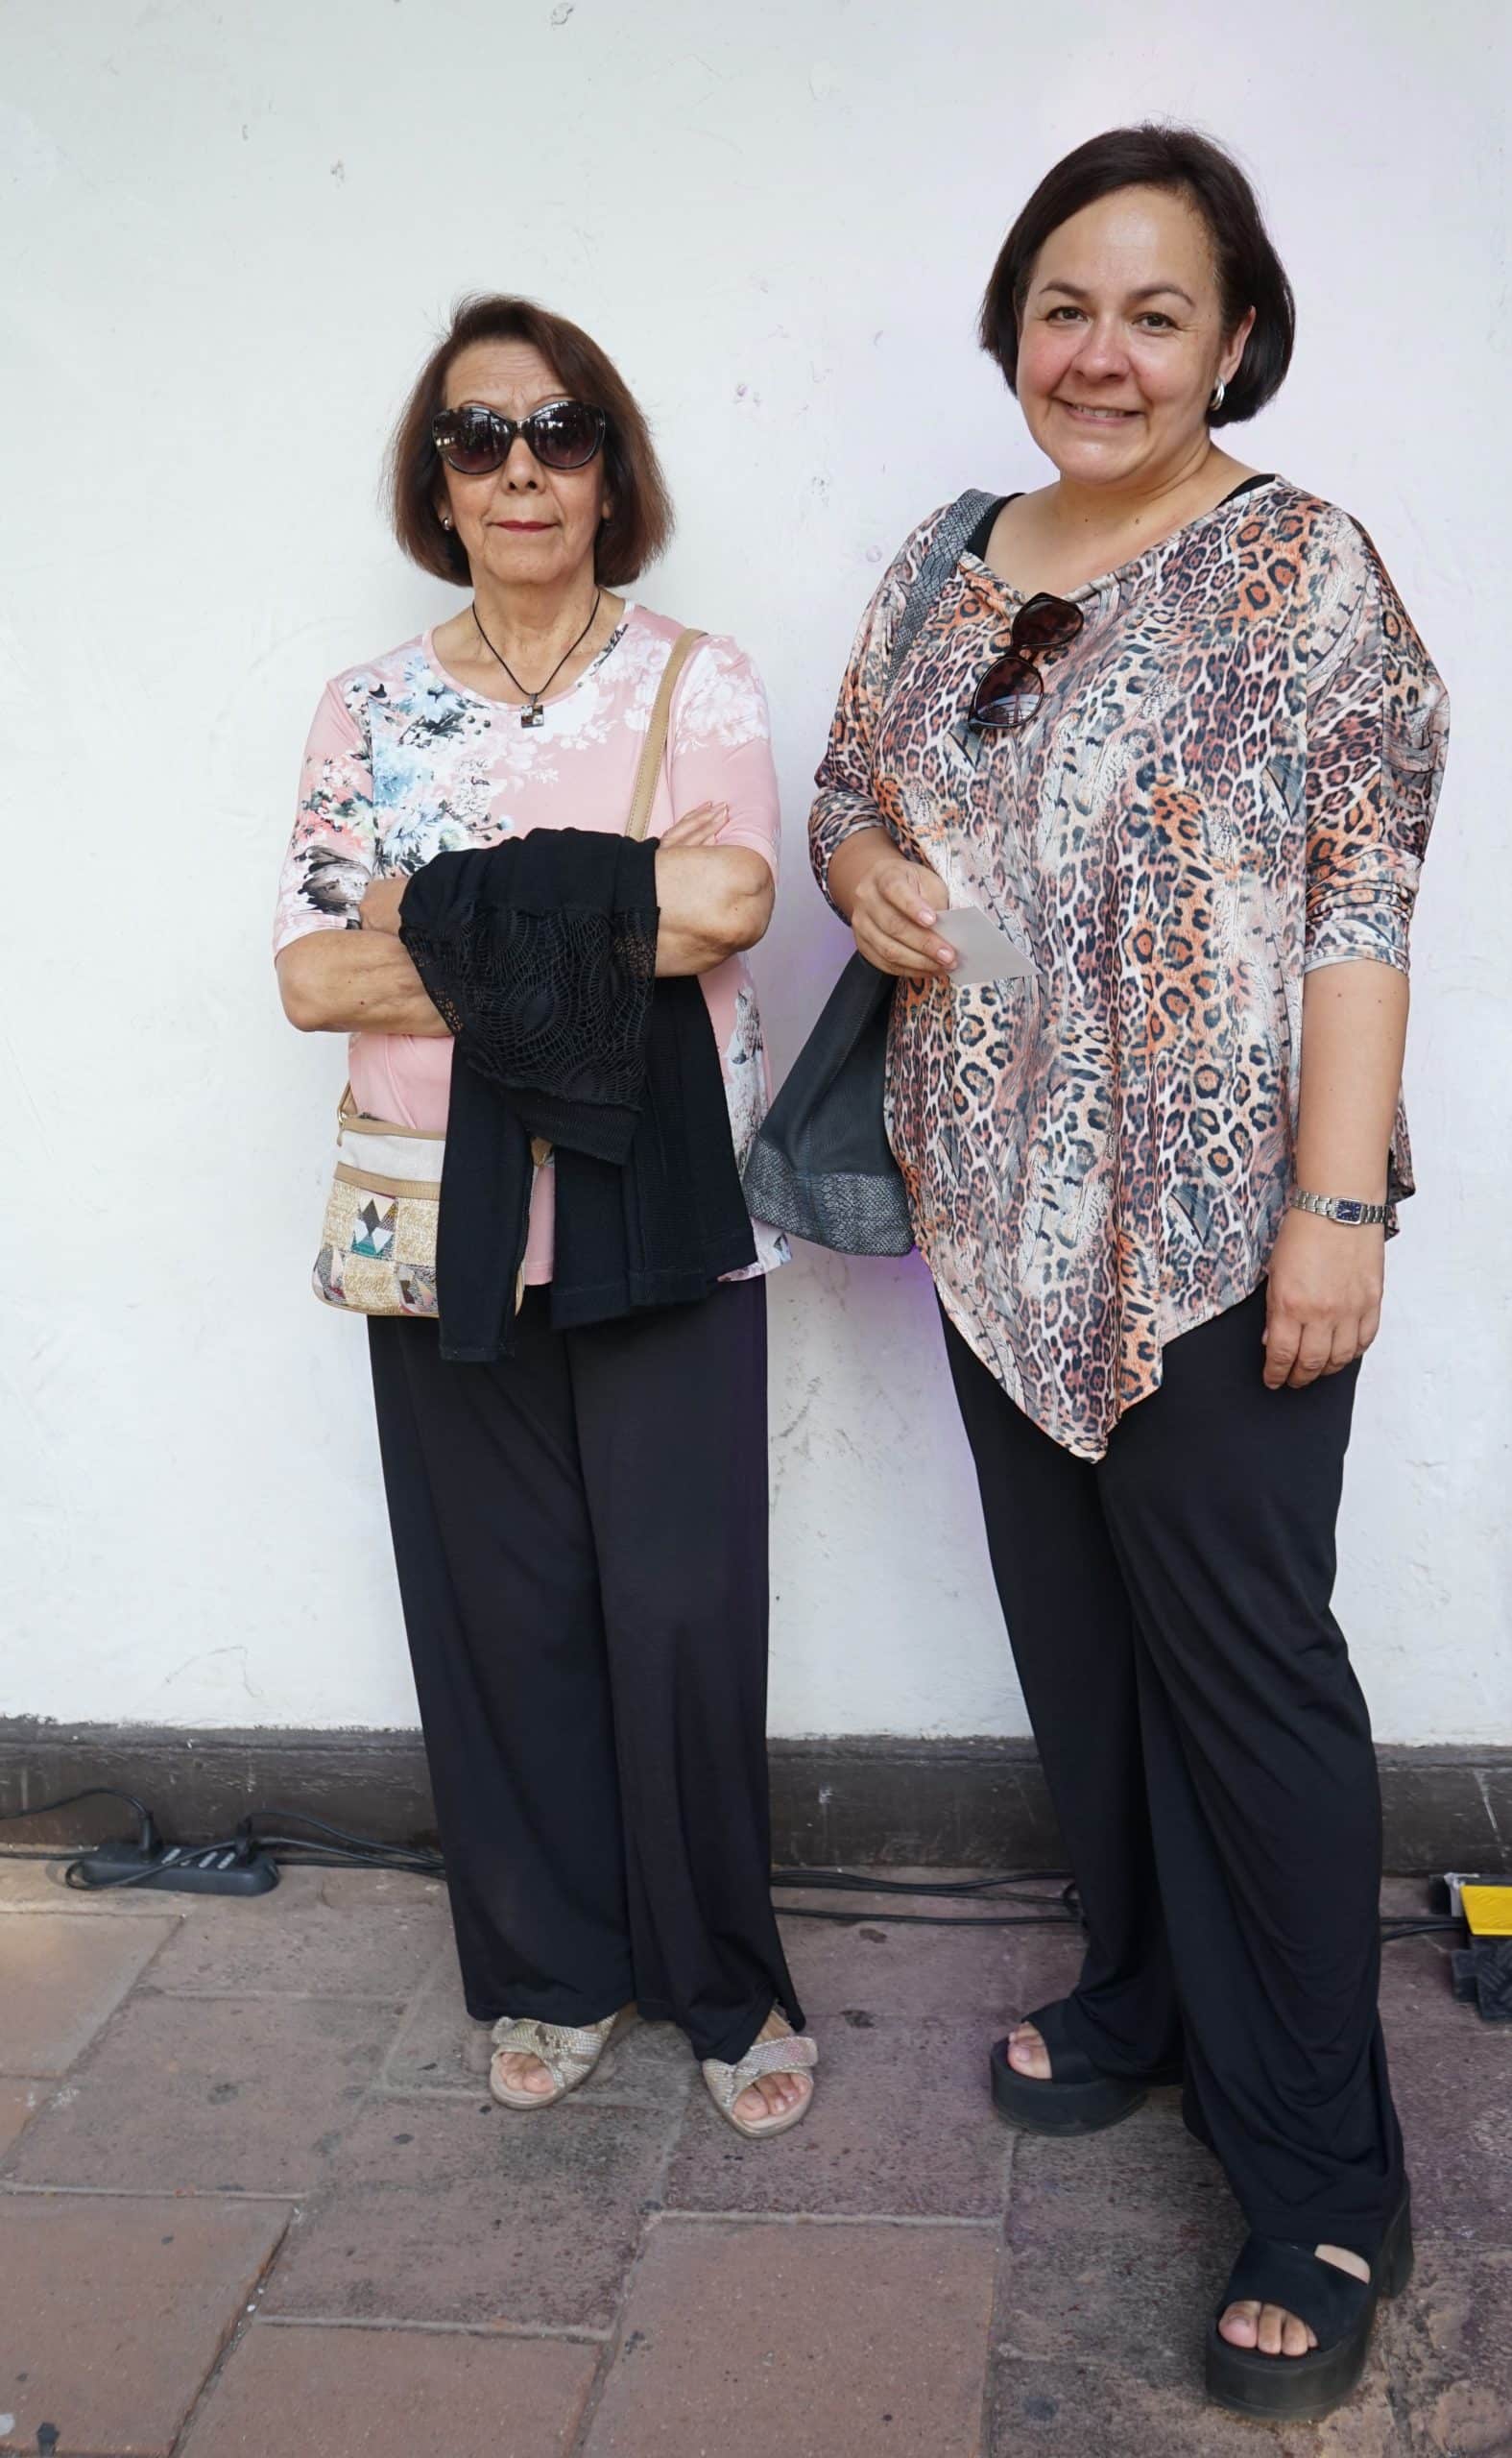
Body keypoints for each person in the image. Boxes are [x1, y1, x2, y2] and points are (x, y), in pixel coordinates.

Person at [808, 128, 1446, 2421]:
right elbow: (847, 786)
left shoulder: (1299, 571)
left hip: (1209, 1238)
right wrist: (864, 868)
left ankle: (1319, 2180)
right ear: (1012, 327)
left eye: (1154, 314)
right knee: (1079, 1661)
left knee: (1248, 1694)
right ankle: (1144, 1992)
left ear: (1234, 341)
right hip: (987, 1218)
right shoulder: (939, 559)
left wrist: (1331, 1211)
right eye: (1063, 307)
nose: (1100, 353)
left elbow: (1359, 901)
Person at [275, 294, 816, 2140]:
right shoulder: (367, 706)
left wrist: (437, 912)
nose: (520, 468)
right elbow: (310, 979)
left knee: (683, 1613)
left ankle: (722, 1982)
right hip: (435, 1219)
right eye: (477, 436)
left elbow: (730, 906)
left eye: (559, 431)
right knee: (500, 1615)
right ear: (436, 481)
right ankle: (555, 1970)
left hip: (661, 1206)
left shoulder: (697, 681)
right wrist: (599, 917)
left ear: (609, 471)